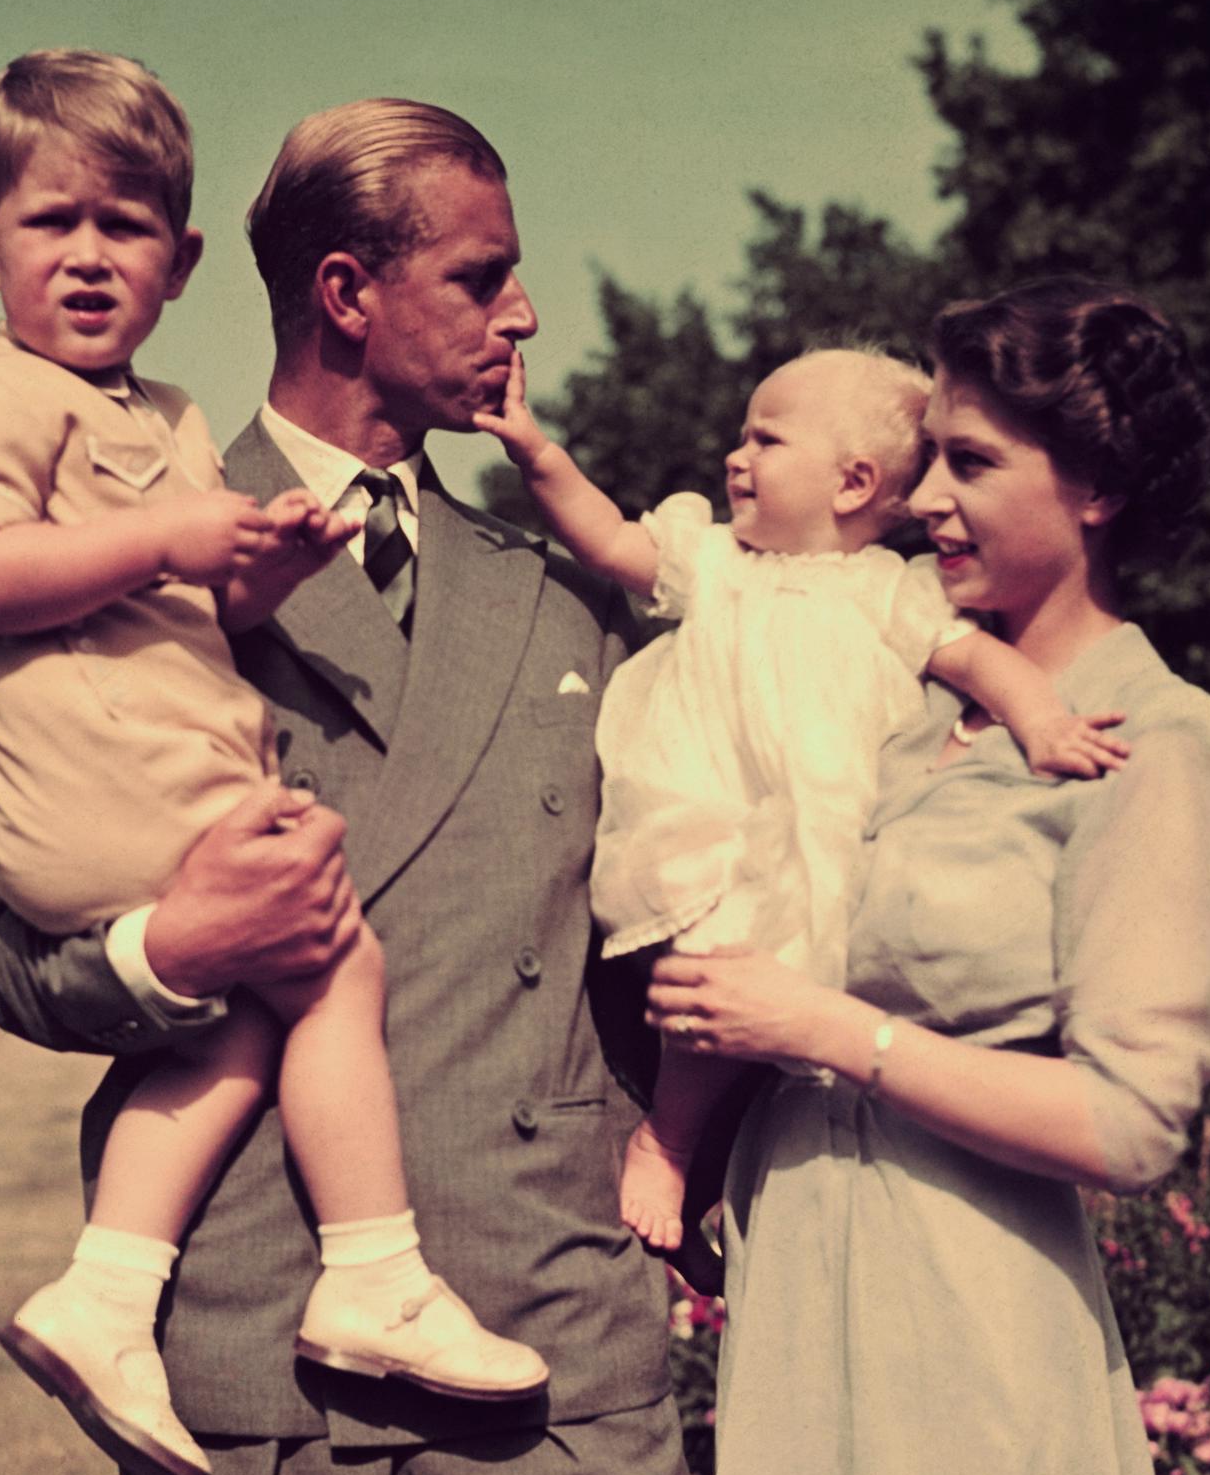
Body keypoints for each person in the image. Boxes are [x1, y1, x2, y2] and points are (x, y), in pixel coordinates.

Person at [0, 98, 704, 1475]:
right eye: (485, 275)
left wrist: (683, 1153)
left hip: (547, 1330)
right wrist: (173, 951)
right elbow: (13, 955)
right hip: (252, 1342)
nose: (523, 315)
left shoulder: (560, 594)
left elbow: (666, 922)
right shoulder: (109, 544)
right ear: (348, 292)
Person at [0, 54, 548, 1475]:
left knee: (264, 1014)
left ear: (180, 261)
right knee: (328, 961)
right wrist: (162, 947)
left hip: (543, 1281)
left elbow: (203, 614)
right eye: (48, 224)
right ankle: (369, 1269)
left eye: (124, 230)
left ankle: (105, 1295)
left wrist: (260, 569)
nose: (86, 259)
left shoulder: (172, 427)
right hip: (108, 807)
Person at [648, 278, 1210, 1475]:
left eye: (973, 463)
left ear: (1100, 487)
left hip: (975, 1346)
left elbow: (1129, 1124)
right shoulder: (893, 716)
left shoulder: (1159, 744)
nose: (926, 501)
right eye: (926, 458)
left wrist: (827, 1029)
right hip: (801, 1315)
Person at [478, 343, 1130, 1266]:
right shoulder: (714, 562)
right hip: (706, 825)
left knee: (788, 1021)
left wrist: (1045, 723)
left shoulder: (887, 593)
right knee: (719, 977)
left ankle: (709, 1188)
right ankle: (665, 1142)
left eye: (766, 440)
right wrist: (537, 453)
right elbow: (610, 539)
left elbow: (983, 660)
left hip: (824, 839)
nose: (735, 457)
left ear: (853, 482)